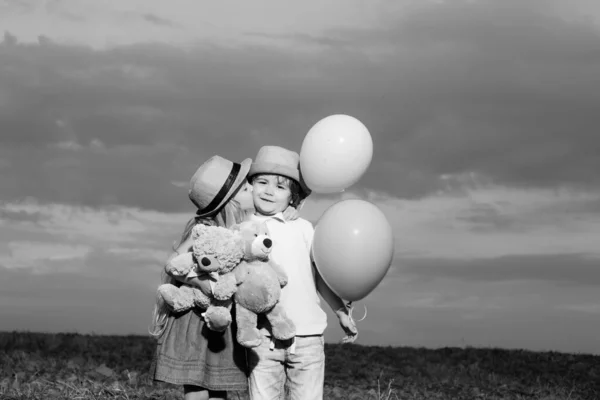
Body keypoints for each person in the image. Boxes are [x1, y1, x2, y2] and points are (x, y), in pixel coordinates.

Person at [245, 145, 358, 400]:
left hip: (308, 335)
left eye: (280, 187)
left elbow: (319, 277)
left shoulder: (304, 228)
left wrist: (340, 311)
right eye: (262, 182)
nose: (269, 191)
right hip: (263, 336)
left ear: (292, 197)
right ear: (250, 185)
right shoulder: (242, 228)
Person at [149, 155, 255, 400]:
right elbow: (173, 264)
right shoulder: (204, 227)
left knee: (219, 387)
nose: (254, 191)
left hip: (222, 321)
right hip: (194, 320)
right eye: (247, 188)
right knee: (196, 387)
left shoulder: (242, 231)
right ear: (232, 201)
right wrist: (200, 283)